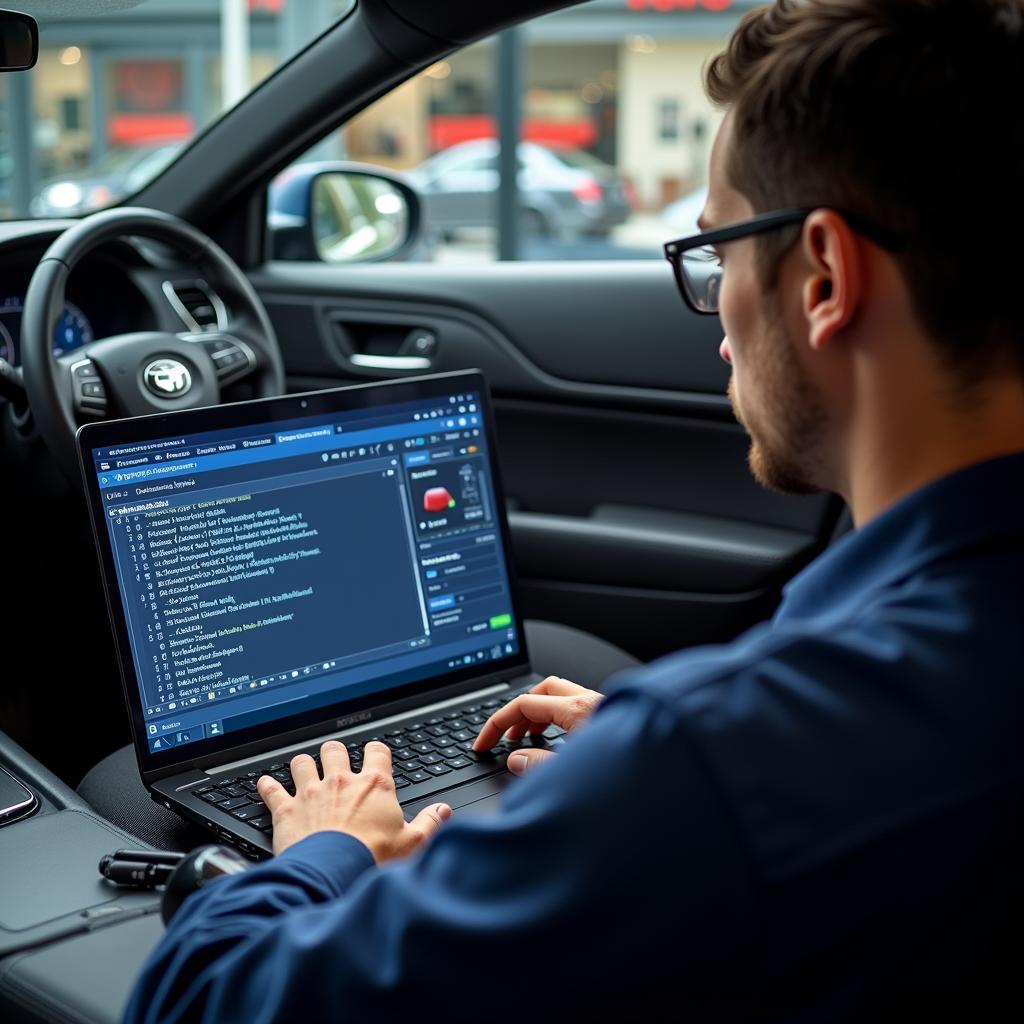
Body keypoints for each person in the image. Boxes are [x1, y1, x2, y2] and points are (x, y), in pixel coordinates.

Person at [124, 1, 1024, 1019]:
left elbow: (201, 999)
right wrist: (647, 773)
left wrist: (326, 848)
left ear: (822, 276)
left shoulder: (713, 767)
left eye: (717, 252)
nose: (716, 315)